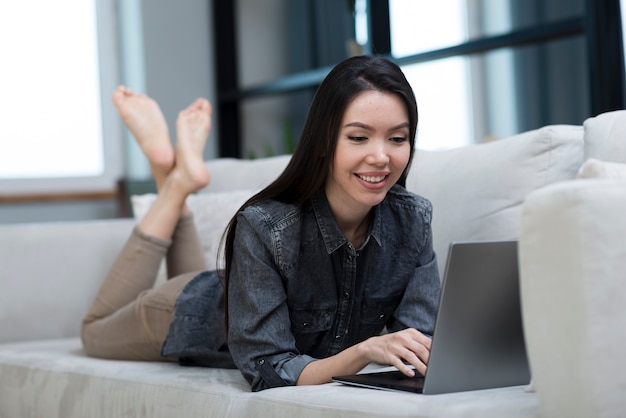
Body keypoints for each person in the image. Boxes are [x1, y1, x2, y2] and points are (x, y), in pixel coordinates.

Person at [81, 55, 441, 392]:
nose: (381, 156)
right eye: (358, 137)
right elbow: (267, 368)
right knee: (94, 331)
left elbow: (421, 342)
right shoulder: (268, 226)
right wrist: (363, 352)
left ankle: (171, 174)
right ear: (323, 142)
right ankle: (175, 184)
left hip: (236, 293)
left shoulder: (413, 220)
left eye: (397, 138)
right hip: (191, 309)